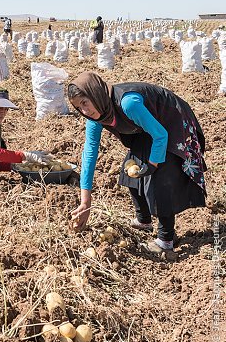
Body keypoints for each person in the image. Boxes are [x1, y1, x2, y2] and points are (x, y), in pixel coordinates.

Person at [68, 72, 207, 253]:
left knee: (160, 177)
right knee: (131, 169)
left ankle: (166, 240)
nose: (84, 111)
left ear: (94, 93)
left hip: (172, 121)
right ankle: (144, 220)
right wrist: (85, 202)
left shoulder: (128, 103)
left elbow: (161, 135)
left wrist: (153, 164)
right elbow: (89, 152)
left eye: (85, 102)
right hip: (146, 127)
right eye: (79, 107)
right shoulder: (95, 118)